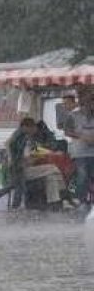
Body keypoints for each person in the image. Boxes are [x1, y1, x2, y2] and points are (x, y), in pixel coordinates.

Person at [0, 117, 67, 212]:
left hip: (17, 165)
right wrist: (14, 159)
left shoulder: (22, 135)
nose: (34, 131)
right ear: (27, 127)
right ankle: (13, 207)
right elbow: (10, 145)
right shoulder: (20, 135)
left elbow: (17, 149)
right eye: (33, 128)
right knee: (52, 170)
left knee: (15, 185)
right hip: (17, 165)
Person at [65, 90, 94, 219]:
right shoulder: (73, 115)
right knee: (83, 176)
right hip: (80, 151)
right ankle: (82, 201)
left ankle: (90, 201)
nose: (89, 104)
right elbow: (67, 131)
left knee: (91, 176)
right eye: (87, 100)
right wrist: (82, 136)